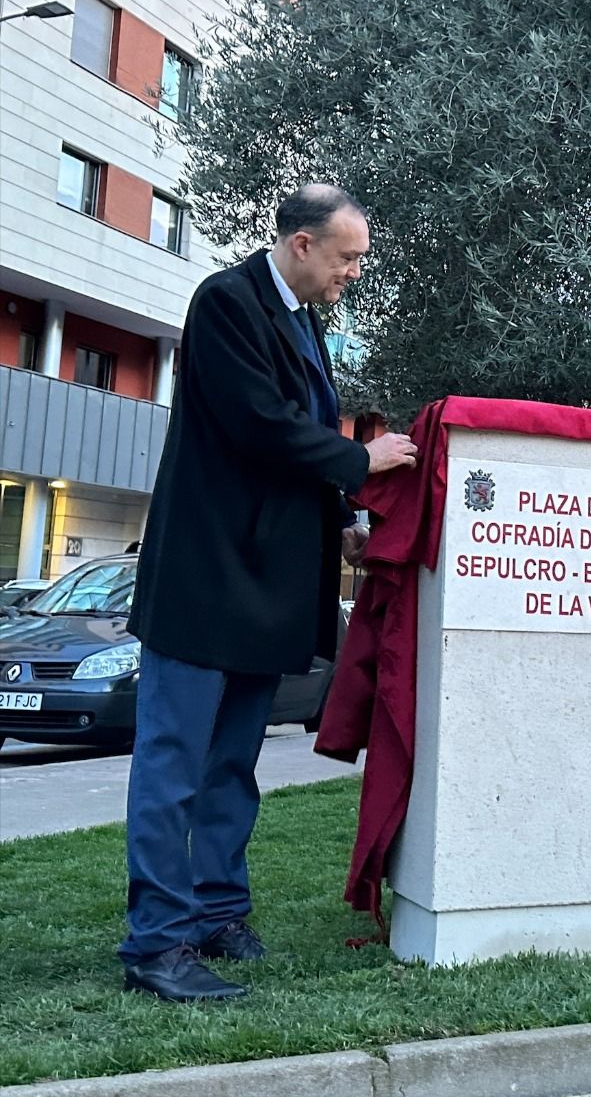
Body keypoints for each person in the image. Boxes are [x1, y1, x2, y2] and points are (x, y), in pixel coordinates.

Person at [122, 185, 418, 1001]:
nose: (354, 271)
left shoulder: (302, 319)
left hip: (261, 587)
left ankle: (218, 911)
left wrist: (344, 521)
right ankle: (157, 943)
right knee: (173, 766)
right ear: (300, 243)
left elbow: (298, 431)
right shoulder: (226, 301)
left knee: (230, 765)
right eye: (348, 256)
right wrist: (361, 461)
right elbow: (258, 423)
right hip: (203, 581)